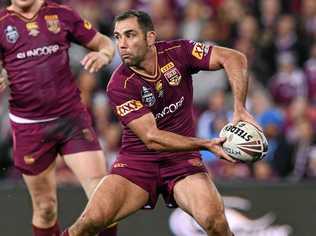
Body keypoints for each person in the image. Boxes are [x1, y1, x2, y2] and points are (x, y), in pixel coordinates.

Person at [62, 10, 261, 236]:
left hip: (182, 162)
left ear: (150, 37)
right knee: (88, 223)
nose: (122, 44)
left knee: (215, 222)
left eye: (130, 35)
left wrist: (239, 107)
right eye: (117, 37)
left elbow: (235, 58)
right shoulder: (119, 84)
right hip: (138, 162)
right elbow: (152, 138)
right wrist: (205, 144)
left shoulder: (179, 52)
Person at [0, 0, 117, 235]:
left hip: (70, 120)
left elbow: (103, 41)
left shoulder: (61, 14)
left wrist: (105, 53)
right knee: (45, 208)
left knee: (103, 198)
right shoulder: (2, 24)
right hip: (29, 127)